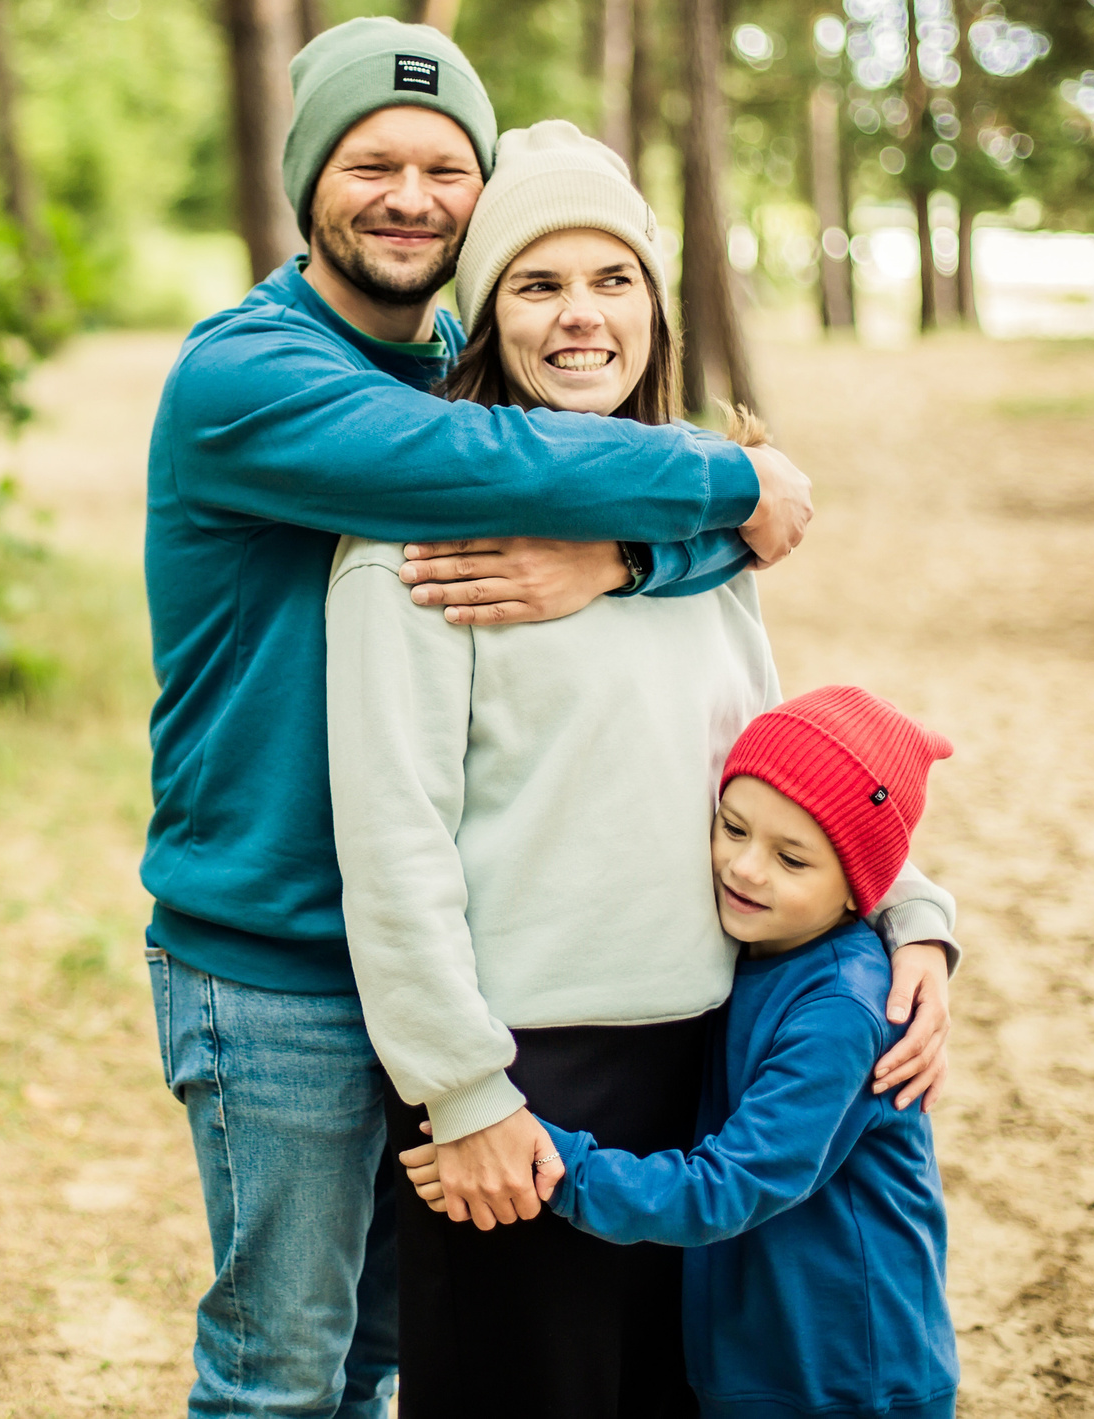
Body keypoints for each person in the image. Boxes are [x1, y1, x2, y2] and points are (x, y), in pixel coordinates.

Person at [143, 20, 865, 1419]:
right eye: (371, 163)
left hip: (463, 964)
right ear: (306, 179)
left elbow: (620, 533)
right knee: (285, 1371)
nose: (410, 196)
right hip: (283, 950)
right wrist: (733, 477)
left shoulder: (468, 353)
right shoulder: (249, 378)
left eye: (445, 168)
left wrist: (629, 557)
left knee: (388, 1354)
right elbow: (484, 458)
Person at [327, 122, 958, 1418]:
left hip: (708, 1061)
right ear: (484, 315)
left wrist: (912, 916)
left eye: (613, 280)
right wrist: (463, 1091)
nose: (581, 316)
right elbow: (392, 844)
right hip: (526, 1077)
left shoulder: (694, 529)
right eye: (537, 284)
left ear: (656, 308)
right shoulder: (416, 551)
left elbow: (775, 773)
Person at [405, 686, 961, 1419]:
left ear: (864, 888)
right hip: (756, 1355)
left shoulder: (842, 1011)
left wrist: (553, 1163)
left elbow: (731, 1185)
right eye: (733, 827)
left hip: (846, 1371)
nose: (747, 868)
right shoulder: (755, 945)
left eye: (792, 859)